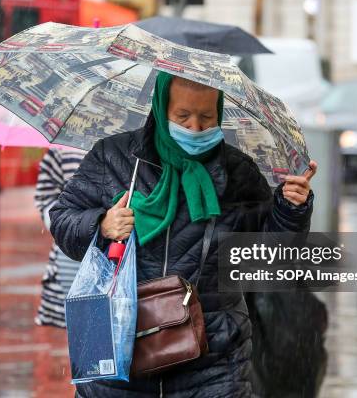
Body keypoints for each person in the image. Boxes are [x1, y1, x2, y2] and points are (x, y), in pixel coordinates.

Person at [49, 72, 317, 397]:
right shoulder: (114, 157)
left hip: (213, 361)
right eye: (183, 116)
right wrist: (101, 224)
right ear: (162, 110)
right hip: (118, 349)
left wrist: (290, 209)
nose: (194, 128)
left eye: (206, 118)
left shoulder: (239, 173)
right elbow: (62, 219)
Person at [33, 147, 85, 328]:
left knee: (117, 321)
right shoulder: (63, 150)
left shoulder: (134, 145)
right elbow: (46, 194)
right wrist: (63, 224)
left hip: (122, 251)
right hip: (70, 251)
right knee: (77, 323)